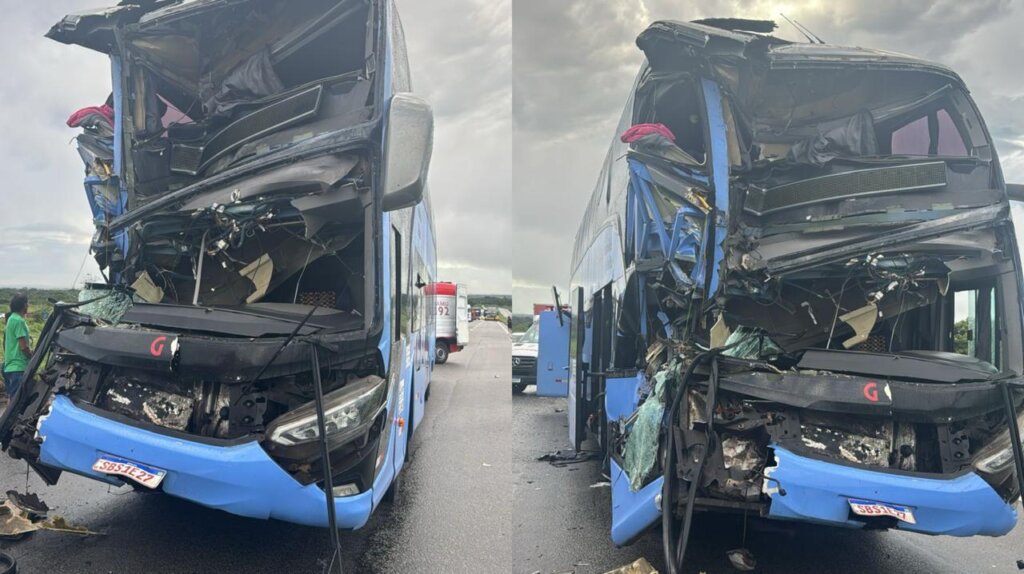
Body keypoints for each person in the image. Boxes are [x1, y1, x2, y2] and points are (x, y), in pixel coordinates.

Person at [3, 294, 32, 399]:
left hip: (10, 365)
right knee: (17, 400)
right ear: (24, 305)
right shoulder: (19, 321)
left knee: (12, 398)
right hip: (18, 366)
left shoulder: (11, 318)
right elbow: (23, 347)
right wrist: (32, 355)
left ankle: (8, 415)